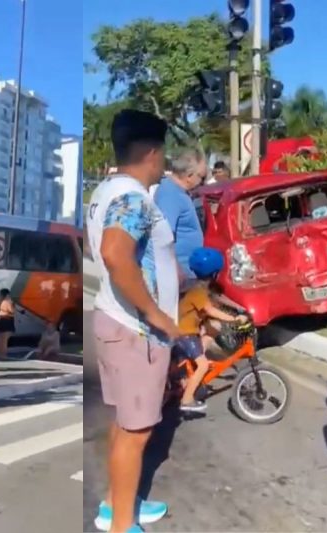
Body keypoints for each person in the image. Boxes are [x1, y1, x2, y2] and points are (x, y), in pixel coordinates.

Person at [87, 109, 179, 533]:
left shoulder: (105, 190)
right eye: (163, 153)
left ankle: (114, 506)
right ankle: (123, 526)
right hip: (137, 332)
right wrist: (154, 312)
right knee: (137, 432)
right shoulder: (134, 198)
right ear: (152, 151)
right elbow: (114, 253)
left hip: (116, 321)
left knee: (125, 425)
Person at [175, 247, 247, 412]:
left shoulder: (197, 285)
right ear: (215, 272)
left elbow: (218, 298)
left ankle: (191, 373)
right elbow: (211, 310)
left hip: (186, 328)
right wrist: (235, 318)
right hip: (184, 333)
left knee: (212, 330)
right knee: (203, 366)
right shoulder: (198, 291)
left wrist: (240, 308)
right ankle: (187, 400)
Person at [152, 145, 207, 289]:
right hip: (179, 276)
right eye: (201, 176)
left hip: (185, 273)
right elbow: (163, 236)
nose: (202, 182)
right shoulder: (171, 195)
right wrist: (176, 269)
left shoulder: (179, 192)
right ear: (189, 176)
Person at [0, 288, 16, 360]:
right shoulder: (7, 302)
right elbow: (12, 311)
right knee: (4, 340)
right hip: (6, 320)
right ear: (7, 294)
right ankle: (3, 355)